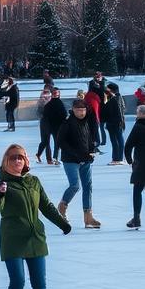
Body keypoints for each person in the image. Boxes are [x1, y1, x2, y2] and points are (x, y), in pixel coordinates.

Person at [0, 143, 70, 289]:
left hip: (35, 238)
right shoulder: (1, 183)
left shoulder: (33, 181)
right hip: (13, 239)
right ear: (6, 161)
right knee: (17, 282)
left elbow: (47, 206)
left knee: (40, 284)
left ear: (26, 161)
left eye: (21, 157)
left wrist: (63, 223)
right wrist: (0, 195)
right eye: (13, 157)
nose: (17, 161)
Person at [57, 98, 101, 229]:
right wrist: (77, 154)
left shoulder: (87, 122)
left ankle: (88, 217)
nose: (81, 113)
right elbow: (61, 143)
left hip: (86, 159)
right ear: (73, 110)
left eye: (83, 110)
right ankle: (63, 205)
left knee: (88, 186)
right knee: (75, 186)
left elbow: (90, 139)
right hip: (70, 160)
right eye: (78, 110)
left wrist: (92, 150)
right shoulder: (67, 123)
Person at [37, 88, 66, 165]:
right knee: (56, 142)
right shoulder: (59, 103)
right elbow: (64, 115)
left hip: (47, 125)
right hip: (55, 126)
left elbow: (43, 114)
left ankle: (47, 158)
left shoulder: (48, 104)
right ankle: (54, 158)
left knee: (46, 142)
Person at [101, 82, 127, 166]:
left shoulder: (116, 99)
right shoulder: (114, 98)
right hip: (113, 122)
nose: (105, 92)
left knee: (117, 140)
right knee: (115, 141)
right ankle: (116, 158)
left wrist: (119, 122)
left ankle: (119, 158)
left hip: (115, 123)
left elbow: (119, 112)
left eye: (107, 90)